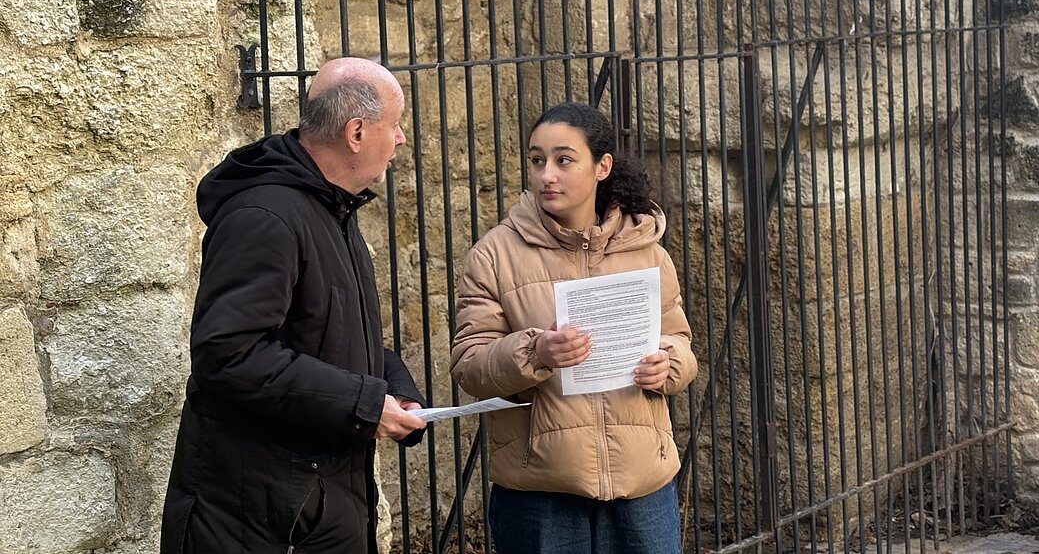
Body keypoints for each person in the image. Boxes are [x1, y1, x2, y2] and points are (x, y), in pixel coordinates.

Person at [160, 57, 428, 554]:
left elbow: (333, 334)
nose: (401, 139)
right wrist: (364, 404)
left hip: (314, 503)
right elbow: (229, 355)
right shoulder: (265, 216)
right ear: (356, 132)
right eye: (394, 125)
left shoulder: (332, 206)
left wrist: (394, 389)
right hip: (257, 519)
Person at [450, 102, 699, 554]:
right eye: (537, 160)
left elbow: (680, 344)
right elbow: (469, 366)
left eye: (564, 160)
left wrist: (669, 366)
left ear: (602, 166)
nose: (547, 175)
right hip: (541, 490)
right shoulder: (493, 256)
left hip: (642, 485)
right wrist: (535, 353)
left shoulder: (647, 251)